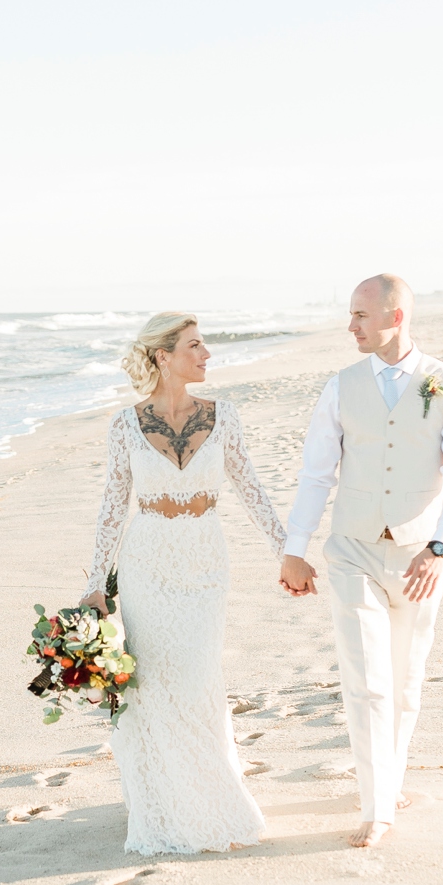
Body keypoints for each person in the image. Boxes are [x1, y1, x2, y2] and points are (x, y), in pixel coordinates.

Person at [278, 274, 443, 848]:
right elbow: (317, 473)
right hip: (352, 553)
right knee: (367, 680)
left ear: (395, 317)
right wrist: (295, 549)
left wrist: (442, 547)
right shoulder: (340, 387)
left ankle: (390, 782)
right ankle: (377, 807)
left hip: (421, 557)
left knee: (406, 681)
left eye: (361, 315)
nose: (350, 326)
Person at [80, 312, 287, 854]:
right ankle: (166, 801)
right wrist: (97, 584)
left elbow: (250, 487)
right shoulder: (125, 424)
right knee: (153, 686)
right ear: (162, 356)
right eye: (194, 346)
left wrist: (286, 550)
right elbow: (111, 508)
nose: (206, 355)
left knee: (196, 677)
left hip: (203, 564)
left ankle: (210, 793)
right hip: (146, 564)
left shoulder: (224, 417)